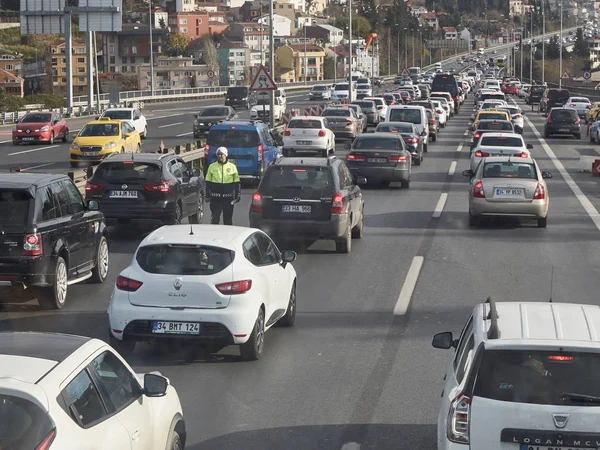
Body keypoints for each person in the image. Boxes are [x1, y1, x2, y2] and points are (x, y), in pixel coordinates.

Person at [205, 147, 240, 225]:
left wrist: (237, 196)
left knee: (228, 220)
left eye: (221, 154)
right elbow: (207, 182)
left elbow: (237, 183)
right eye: (218, 154)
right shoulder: (212, 166)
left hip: (228, 199)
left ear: (226, 155)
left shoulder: (232, 167)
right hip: (215, 199)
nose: (220, 156)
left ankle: (228, 236)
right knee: (215, 219)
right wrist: (207, 195)